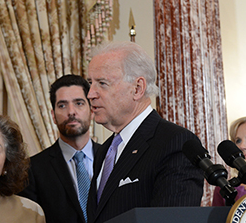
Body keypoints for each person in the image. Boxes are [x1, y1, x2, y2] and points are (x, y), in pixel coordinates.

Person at [85, 41, 204, 223]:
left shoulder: (175, 143)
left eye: (102, 83)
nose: (91, 94)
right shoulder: (106, 150)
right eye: (90, 83)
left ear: (138, 88)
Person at [20, 74, 99, 223]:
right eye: (62, 105)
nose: (71, 112)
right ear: (53, 116)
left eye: (79, 103)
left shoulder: (113, 157)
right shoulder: (31, 169)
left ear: (92, 111)